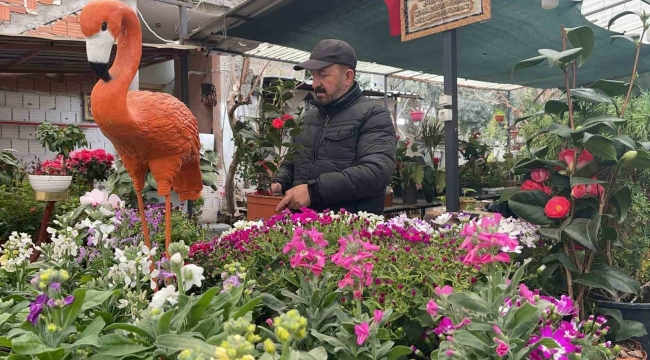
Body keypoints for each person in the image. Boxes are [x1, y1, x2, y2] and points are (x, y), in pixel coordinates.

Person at [272, 39, 397, 215]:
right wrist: (280, 182)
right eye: (313, 75)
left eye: (323, 75)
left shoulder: (373, 115)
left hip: (350, 233)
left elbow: (376, 172)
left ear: (348, 77)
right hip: (303, 230)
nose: (315, 84)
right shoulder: (308, 118)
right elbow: (292, 163)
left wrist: (313, 191)